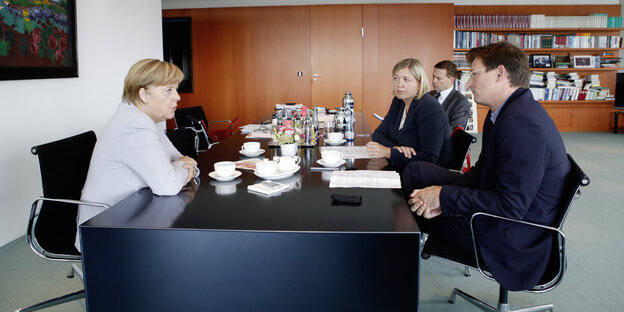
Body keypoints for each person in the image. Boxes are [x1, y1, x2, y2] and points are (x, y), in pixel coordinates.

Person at [402, 42, 570, 291]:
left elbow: (511, 207)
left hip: (511, 237)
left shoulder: (523, 125)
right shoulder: (504, 113)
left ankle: (394, 271)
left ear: (500, 73)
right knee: (416, 172)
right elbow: (481, 171)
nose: (468, 83)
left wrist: (444, 197)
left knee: (410, 206)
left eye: (474, 74)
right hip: (498, 212)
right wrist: (441, 193)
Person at [75, 59, 198, 250]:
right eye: (168, 90)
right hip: (104, 226)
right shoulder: (134, 124)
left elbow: (178, 157)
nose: (178, 97)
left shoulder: (148, 119)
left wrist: (178, 167)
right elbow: (168, 184)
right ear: (143, 94)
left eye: (176, 89)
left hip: (136, 210)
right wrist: (181, 168)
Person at [366, 58, 452, 169]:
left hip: (428, 174)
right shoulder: (398, 102)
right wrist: (397, 149)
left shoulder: (430, 108)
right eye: (396, 78)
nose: (399, 84)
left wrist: (389, 152)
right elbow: (378, 134)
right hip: (404, 166)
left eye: (406, 80)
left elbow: (429, 159)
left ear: (419, 83)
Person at [430, 60, 472, 130]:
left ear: (452, 79)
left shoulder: (461, 102)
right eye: (433, 76)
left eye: (438, 78)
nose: (434, 81)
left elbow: (454, 131)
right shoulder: (430, 95)